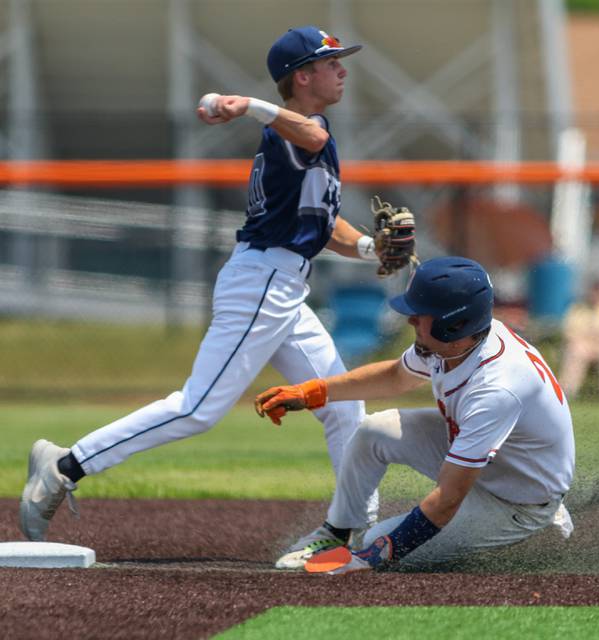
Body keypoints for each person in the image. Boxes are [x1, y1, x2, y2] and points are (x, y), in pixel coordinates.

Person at [19, 26, 409, 545]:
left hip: (283, 286)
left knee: (343, 405)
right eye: (331, 62)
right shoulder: (294, 133)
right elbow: (310, 138)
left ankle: (353, 530)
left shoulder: (305, 134)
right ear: (302, 76)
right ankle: (65, 466)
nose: (342, 69)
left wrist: (366, 249)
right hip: (263, 282)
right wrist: (249, 104)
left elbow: (323, 224)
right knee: (199, 408)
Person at [255, 256, 575, 573]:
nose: (410, 320)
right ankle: (337, 533)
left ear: (454, 323)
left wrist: (371, 557)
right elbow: (396, 376)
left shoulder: (497, 388)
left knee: (377, 543)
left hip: (515, 502)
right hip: (492, 461)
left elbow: (448, 497)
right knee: (373, 429)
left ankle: (537, 531)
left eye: (420, 314)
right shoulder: (457, 343)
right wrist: (312, 392)